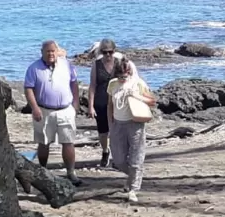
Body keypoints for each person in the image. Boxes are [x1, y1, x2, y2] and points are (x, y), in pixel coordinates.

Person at [24, 39, 82, 186]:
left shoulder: (66, 65)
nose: (50, 54)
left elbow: (74, 83)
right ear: (42, 52)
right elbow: (28, 88)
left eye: (53, 51)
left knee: (68, 142)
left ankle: (71, 172)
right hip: (44, 110)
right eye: (47, 51)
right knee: (44, 142)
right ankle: (43, 171)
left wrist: (75, 104)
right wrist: (35, 108)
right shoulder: (34, 68)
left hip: (65, 110)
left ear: (57, 52)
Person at [107, 59, 156, 203]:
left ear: (129, 73)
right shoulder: (113, 84)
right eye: (120, 77)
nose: (122, 79)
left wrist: (136, 96)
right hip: (118, 124)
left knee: (136, 159)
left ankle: (133, 189)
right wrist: (110, 124)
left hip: (135, 124)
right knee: (118, 159)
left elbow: (152, 101)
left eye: (125, 77)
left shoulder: (138, 83)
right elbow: (110, 105)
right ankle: (133, 177)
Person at [86, 39, 125, 167]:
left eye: (110, 52)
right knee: (103, 131)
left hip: (116, 101)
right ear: (101, 52)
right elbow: (92, 85)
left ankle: (117, 156)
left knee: (117, 129)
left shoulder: (119, 63)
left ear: (114, 51)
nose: (108, 55)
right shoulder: (96, 65)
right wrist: (90, 106)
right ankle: (105, 151)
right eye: (105, 52)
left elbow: (127, 79)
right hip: (101, 100)